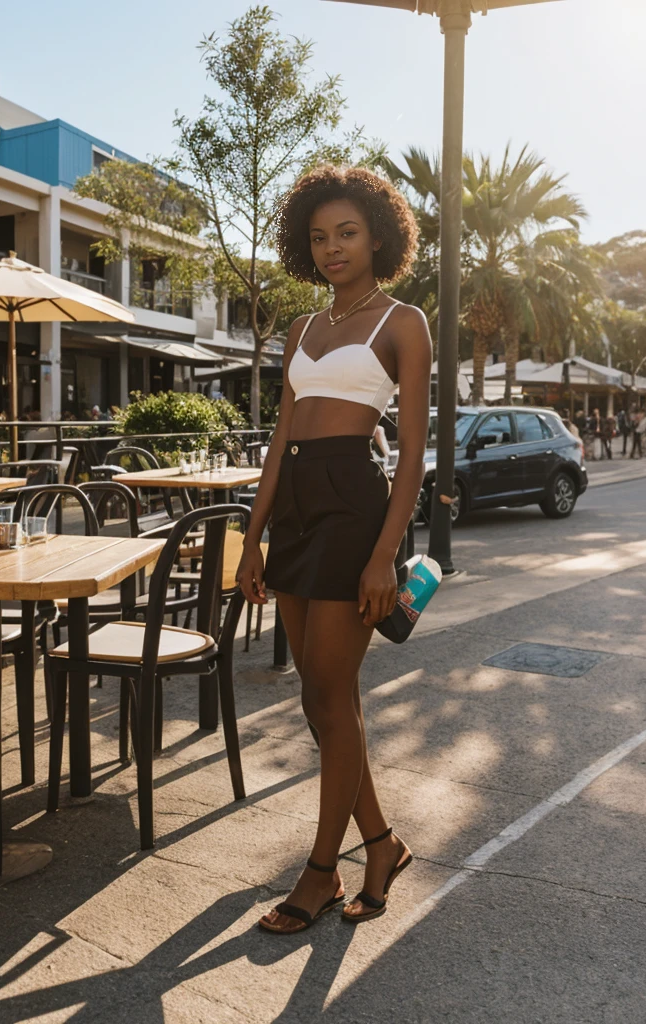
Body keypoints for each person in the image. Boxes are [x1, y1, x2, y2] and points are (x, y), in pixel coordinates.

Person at [235, 165, 430, 933]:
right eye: (319, 237)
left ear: (379, 236)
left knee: (325, 691)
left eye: (346, 233)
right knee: (326, 703)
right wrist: (250, 539)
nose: (332, 248)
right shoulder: (302, 329)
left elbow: (411, 452)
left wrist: (384, 554)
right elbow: (280, 440)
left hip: (354, 504)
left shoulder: (402, 322)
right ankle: (380, 845)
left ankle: (321, 871)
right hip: (296, 508)